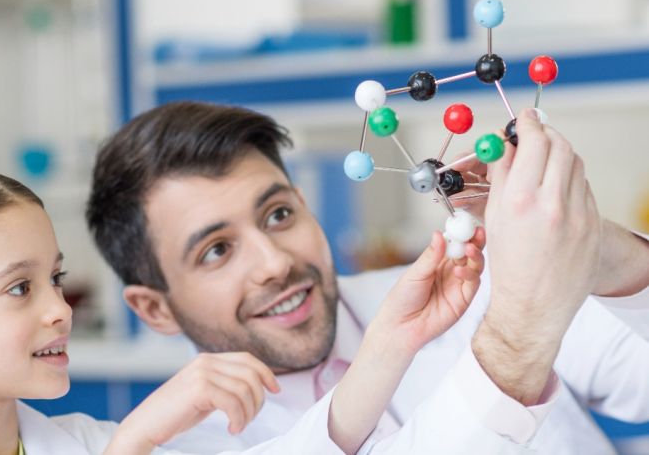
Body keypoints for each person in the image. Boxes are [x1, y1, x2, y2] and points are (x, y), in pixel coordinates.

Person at [0, 165, 485, 455]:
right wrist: (134, 441)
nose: (59, 308)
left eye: (56, 278)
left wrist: (392, 341)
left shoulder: (87, 443)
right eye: (19, 287)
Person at [86, 101, 649, 454]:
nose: (275, 262)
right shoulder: (183, 443)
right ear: (153, 308)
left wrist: (602, 256)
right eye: (216, 251)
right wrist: (516, 339)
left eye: (278, 214)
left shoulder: (464, 283)